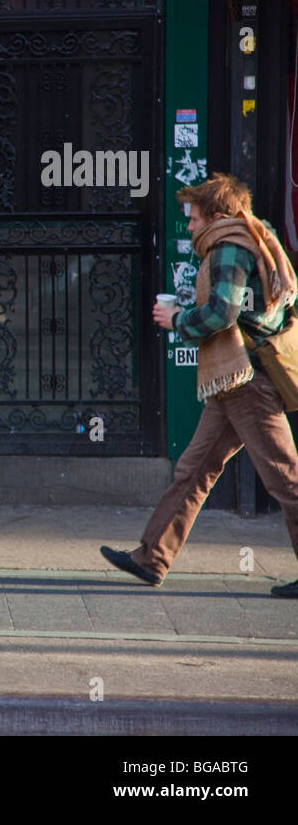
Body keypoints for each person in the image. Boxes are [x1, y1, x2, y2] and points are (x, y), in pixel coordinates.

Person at [101, 173, 298, 598]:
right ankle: (152, 558)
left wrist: (178, 320)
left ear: (218, 215)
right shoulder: (257, 238)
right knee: (194, 472)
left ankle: (151, 558)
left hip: (246, 381)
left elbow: (223, 313)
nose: (189, 226)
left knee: (287, 479)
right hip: (234, 380)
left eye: (193, 218)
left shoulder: (230, 245)